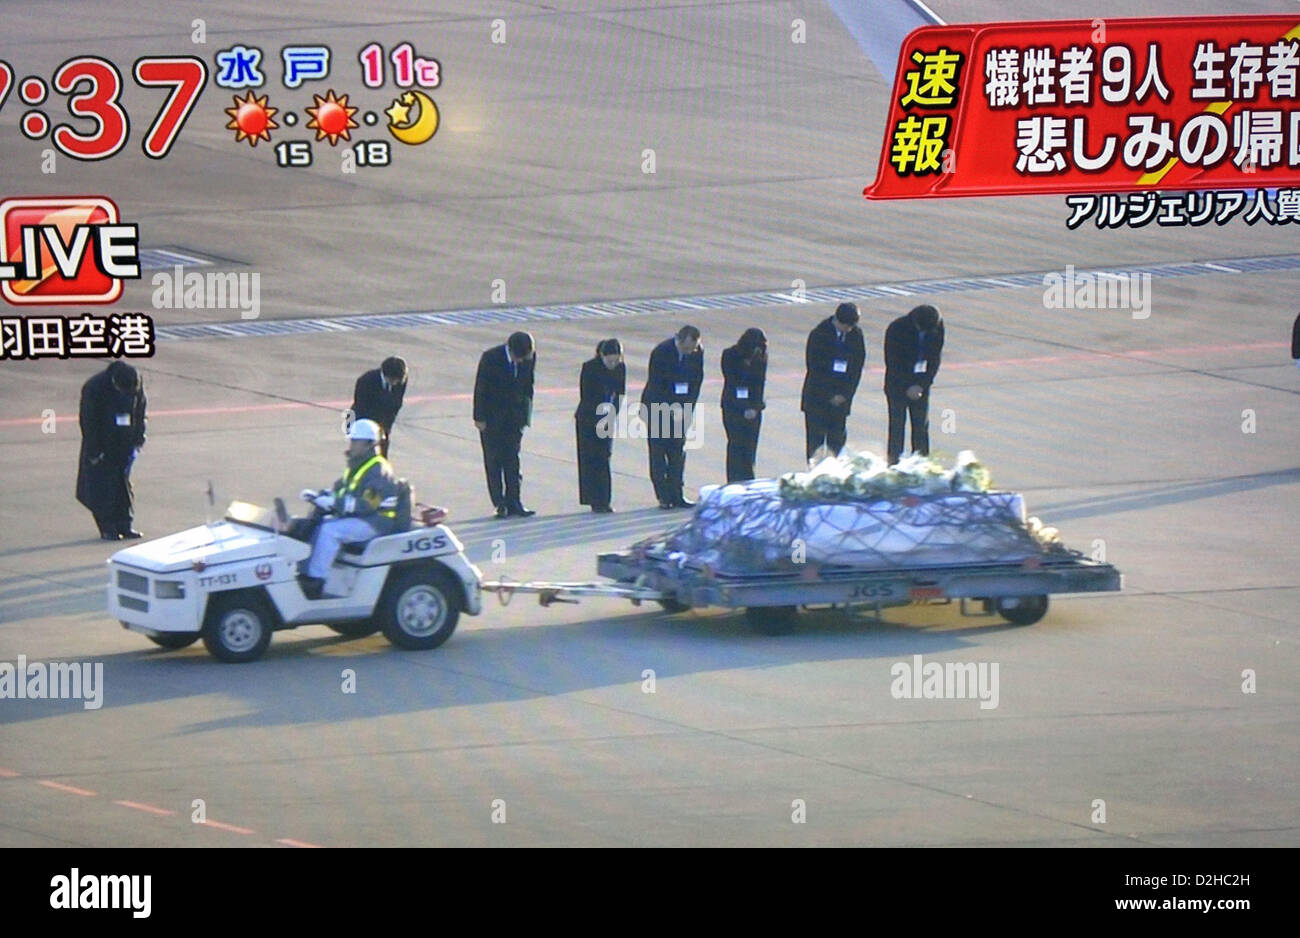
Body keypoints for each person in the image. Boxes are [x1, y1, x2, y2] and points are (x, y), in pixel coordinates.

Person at [297, 419, 401, 599]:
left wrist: (334, 503)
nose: (351, 445)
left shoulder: (378, 469)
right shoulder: (357, 464)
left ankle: (316, 581)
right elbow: (342, 489)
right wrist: (322, 496)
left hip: (376, 522)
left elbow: (368, 505)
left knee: (330, 531)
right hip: (364, 518)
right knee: (317, 524)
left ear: (369, 444)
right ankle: (305, 571)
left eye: (355, 441)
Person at [76, 361, 147, 540]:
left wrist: (138, 438)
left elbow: (140, 412)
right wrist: (94, 451)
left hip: (125, 442)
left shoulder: (135, 383)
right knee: (102, 487)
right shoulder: (94, 388)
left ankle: (125, 524)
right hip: (102, 444)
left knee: (122, 486)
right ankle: (108, 527)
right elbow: (88, 422)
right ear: (115, 383)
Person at [473, 331, 537, 518]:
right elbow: (481, 388)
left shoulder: (529, 357)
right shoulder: (491, 358)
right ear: (510, 350)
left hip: (514, 417)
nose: (521, 361)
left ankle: (515, 502)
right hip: (492, 418)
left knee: (512, 460)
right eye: (519, 358)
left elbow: (528, 387)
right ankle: (500, 503)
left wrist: (526, 416)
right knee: (494, 461)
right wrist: (479, 417)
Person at [641, 325, 704, 509]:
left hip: (681, 409)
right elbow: (656, 385)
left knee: (677, 453)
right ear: (680, 340)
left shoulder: (697, 352)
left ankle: (677, 494)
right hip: (658, 407)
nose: (691, 352)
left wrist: (688, 408)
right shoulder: (662, 352)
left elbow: (696, 381)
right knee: (659, 453)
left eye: (693, 348)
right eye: (688, 348)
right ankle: (663, 496)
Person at [801, 302, 866, 462]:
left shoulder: (856, 335)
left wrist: (845, 394)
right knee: (816, 442)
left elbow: (856, 368)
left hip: (841, 400)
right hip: (818, 397)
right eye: (846, 326)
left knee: (837, 441)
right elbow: (815, 368)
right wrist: (830, 394)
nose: (848, 330)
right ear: (838, 321)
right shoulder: (819, 334)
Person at [884, 304, 945, 465]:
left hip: (920, 384)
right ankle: (894, 463)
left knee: (921, 426)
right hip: (898, 384)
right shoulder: (897, 328)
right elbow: (893, 362)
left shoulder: (937, 326)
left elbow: (934, 359)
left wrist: (921, 385)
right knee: (897, 425)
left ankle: (922, 463)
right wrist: (908, 386)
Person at [576, 338, 626, 512]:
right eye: (609, 360)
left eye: (616, 360)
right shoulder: (590, 368)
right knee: (590, 459)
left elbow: (620, 393)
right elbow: (587, 397)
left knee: (604, 457)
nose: (613, 364)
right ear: (602, 356)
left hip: (608, 417)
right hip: (589, 418)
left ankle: (604, 500)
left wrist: (612, 414)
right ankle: (592, 499)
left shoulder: (621, 368)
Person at [720, 328, 767, 483]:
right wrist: (744, 406)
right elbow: (732, 382)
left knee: (750, 445)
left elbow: (759, 384)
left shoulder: (761, 357)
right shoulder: (729, 355)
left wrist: (755, 407)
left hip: (753, 408)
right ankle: (734, 479)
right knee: (736, 444)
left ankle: (748, 477)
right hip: (733, 406)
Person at [351, 356, 407, 457]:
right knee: (363, 455)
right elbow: (362, 407)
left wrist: (386, 427)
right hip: (364, 421)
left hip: (384, 421)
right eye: (393, 381)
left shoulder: (400, 379)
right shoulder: (366, 381)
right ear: (386, 376)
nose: (396, 384)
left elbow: (397, 403)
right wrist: (375, 429)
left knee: (382, 455)